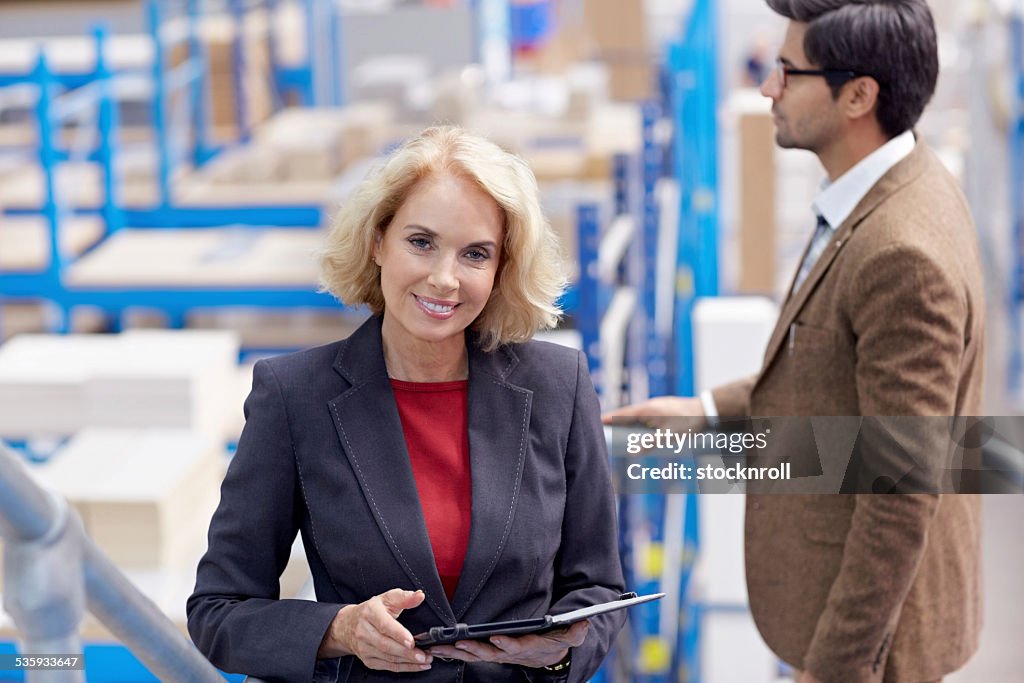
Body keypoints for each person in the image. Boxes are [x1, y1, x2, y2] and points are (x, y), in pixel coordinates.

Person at [606, 1, 984, 681]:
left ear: (858, 96)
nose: (767, 88)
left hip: (877, 651)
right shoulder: (885, 189)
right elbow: (837, 380)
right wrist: (709, 412)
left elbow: (898, 494)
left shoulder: (902, 255)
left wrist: (836, 667)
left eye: (787, 71)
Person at [188, 126, 626, 682]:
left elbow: (598, 588)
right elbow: (218, 613)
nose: (444, 279)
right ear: (377, 241)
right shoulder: (295, 396)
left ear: (501, 270)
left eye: (475, 254)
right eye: (421, 242)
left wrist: (558, 653)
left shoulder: (559, 384)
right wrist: (340, 630)